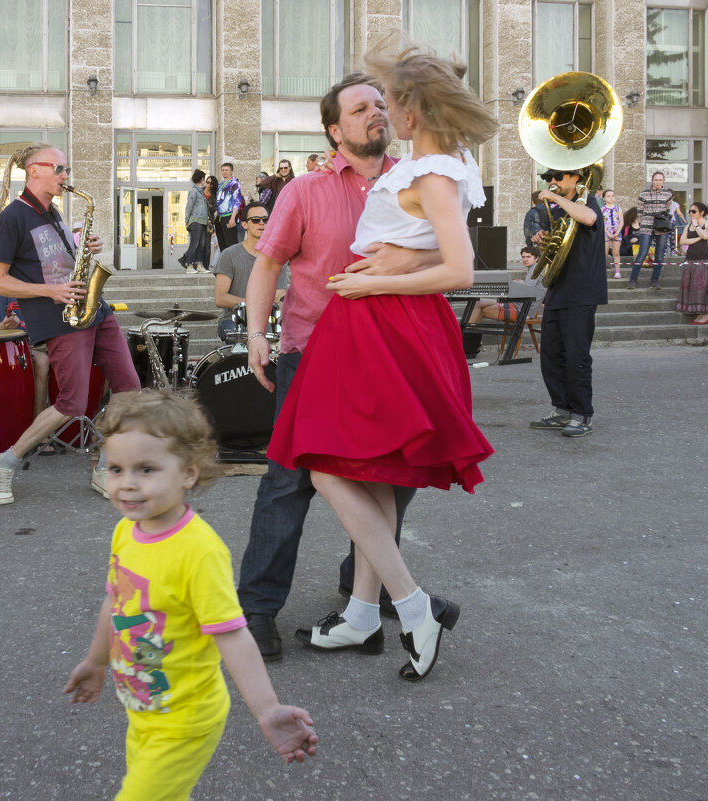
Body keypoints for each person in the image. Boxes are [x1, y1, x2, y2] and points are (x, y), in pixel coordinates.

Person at [266, 42, 496, 682]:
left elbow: (461, 267)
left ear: (414, 110)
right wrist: (398, 268)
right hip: (376, 320)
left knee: (324, 468)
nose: (383, 111)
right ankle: (362, 613)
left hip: (382, 321)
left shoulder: (431, 172)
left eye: (389, 100)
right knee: (368, 471)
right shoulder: (432, 166)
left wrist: (375, 283)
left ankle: (413, 607)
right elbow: (431, 251)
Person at [237, 72, 451, 662]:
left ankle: (369, 593)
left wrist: (408, 255)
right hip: (310, 352)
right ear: (336, 129)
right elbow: (265, 267)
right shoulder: (304, 190)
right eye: (361, 108)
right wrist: (258, 335)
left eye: (381, 104)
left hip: (391, 358)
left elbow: (454, 252)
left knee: (391, 479)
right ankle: (258, 608)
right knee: (288, 482)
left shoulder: (417, 178)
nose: (376, 113)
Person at [63, 392, 317, 801]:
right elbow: (116, 601)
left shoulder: (198, 551)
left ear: (188, 473)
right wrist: (95, 662)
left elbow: (232, 634)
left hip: (184, 719)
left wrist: (267, 709)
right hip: (143, 708)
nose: (127, 483)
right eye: (115, 468)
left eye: (146, 469)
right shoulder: (128, 530)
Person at [0, 143, 141, 505]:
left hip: (92, 308)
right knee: (71, 402)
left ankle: (104, 464)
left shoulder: (52, 212)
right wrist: (50, 291)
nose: (65, 176)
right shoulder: (12, 218)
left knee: (129, 387)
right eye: (59, 169)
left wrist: (84, 249)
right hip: (59, 318)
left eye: (65, 170)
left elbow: (54, 261)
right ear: (34, 170)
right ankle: (6, 462)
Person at [529, 165, 607, 438]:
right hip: (558, 291)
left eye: (557, 177)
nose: (551, 181)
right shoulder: (560, 210)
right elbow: (559, 247)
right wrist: (543, 240)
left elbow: (587, 218)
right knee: (551, 356)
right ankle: (562, 409)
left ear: (575, 178)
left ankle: (582, 414)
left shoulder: (587, 201)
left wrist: (554, 198)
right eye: (548, 178)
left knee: (576, 357)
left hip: (582, 290)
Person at [213, 202, 287, 343]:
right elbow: (220, 298)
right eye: (255, 220)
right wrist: (253, 304)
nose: (261, 223)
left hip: (268, 319)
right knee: (235, 336)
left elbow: (279, 295)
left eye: (266, 220)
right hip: (234, 319)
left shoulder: (277, 257)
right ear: (244, 224)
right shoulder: (229, 254)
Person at [0, 295, 52, 421]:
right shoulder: (2, 290)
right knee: (41, 362)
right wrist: (4, 325)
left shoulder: (46, 283)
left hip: (48, 343)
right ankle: (37, 425)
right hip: (16, 347)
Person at [468, 245, 542, 324]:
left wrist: (512, 286)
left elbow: (527, 291)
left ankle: (467, 333)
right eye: (523, 257)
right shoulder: (533, 269)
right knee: (478, 303)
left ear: (536, 258)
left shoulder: (535, 271)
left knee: (480, 310)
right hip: (518, 304)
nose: (525, 259)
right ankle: (470, 334)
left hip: (523, 310)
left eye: (528, 257)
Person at [627, 171, 672, 289]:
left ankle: (655, 280)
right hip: (646, 227)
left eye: (660, 180)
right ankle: (632, 280)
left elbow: (667, 211)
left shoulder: (667, 194)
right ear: (652, 180)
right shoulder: (644, 194)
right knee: (642, 253)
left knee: (660, 255)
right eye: (656, 180)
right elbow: (640, 211)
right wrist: (643, 224)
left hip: (662, 228)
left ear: (663, 181)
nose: (658, 182)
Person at [675, 202, 708, 325]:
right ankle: (698, 314)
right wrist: (698, 238)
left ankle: (704, 315)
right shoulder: (688, 226)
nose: (691, 213)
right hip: (690, 258)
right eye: (690, 211)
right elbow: (683, 241)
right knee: (690, 286)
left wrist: (697, 226)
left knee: (701, 287)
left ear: (702, 212)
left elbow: (706, 236)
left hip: (704, 258)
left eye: (694, 211)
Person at [178, 169, 211, 275]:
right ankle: (189, 265)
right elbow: (189, 207)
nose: (205, 181)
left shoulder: (200, 191)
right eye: (204, 179)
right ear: (202, 179)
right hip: (195, 221)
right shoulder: (194, 191)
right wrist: (186, 221)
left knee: (201, 244)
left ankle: (199, 265)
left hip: (203, 222)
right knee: (194, 244)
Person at [214, 163, 243, 252]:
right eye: (223, 170)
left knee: (231, 244)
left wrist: (233, 218)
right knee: (222, 245)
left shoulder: (234, 184)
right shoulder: (220, 184)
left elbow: (237, 201)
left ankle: (234, 265)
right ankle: (225, 265)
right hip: (219, 218)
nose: (224, 172)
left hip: (229, 216)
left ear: (231, 171)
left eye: (227, 170)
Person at [601, 189, 623, 278]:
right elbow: (601, 223)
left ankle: (617, 271)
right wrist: (608, 233)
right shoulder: (602, 209)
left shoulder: (618, 208)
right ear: (604, 198)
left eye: (612, 196)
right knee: (604, 252)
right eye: (608, 196)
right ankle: (601, 271)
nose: (611, 198)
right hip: (606, 232)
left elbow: (621, 222)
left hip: (616, 232)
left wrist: (617, 232)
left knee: (616, 252)